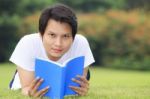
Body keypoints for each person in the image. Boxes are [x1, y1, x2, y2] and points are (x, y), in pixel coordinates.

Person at [9, 4, 95, 98]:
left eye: (65, 36)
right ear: (41, 34)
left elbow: (79, 86)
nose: (58, 43)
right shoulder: (27, 43)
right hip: (25, 79)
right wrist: (30, 92)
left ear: (73, 37)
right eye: (52, 35)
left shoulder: (81, 43)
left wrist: (82, 90)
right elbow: (26, 88)